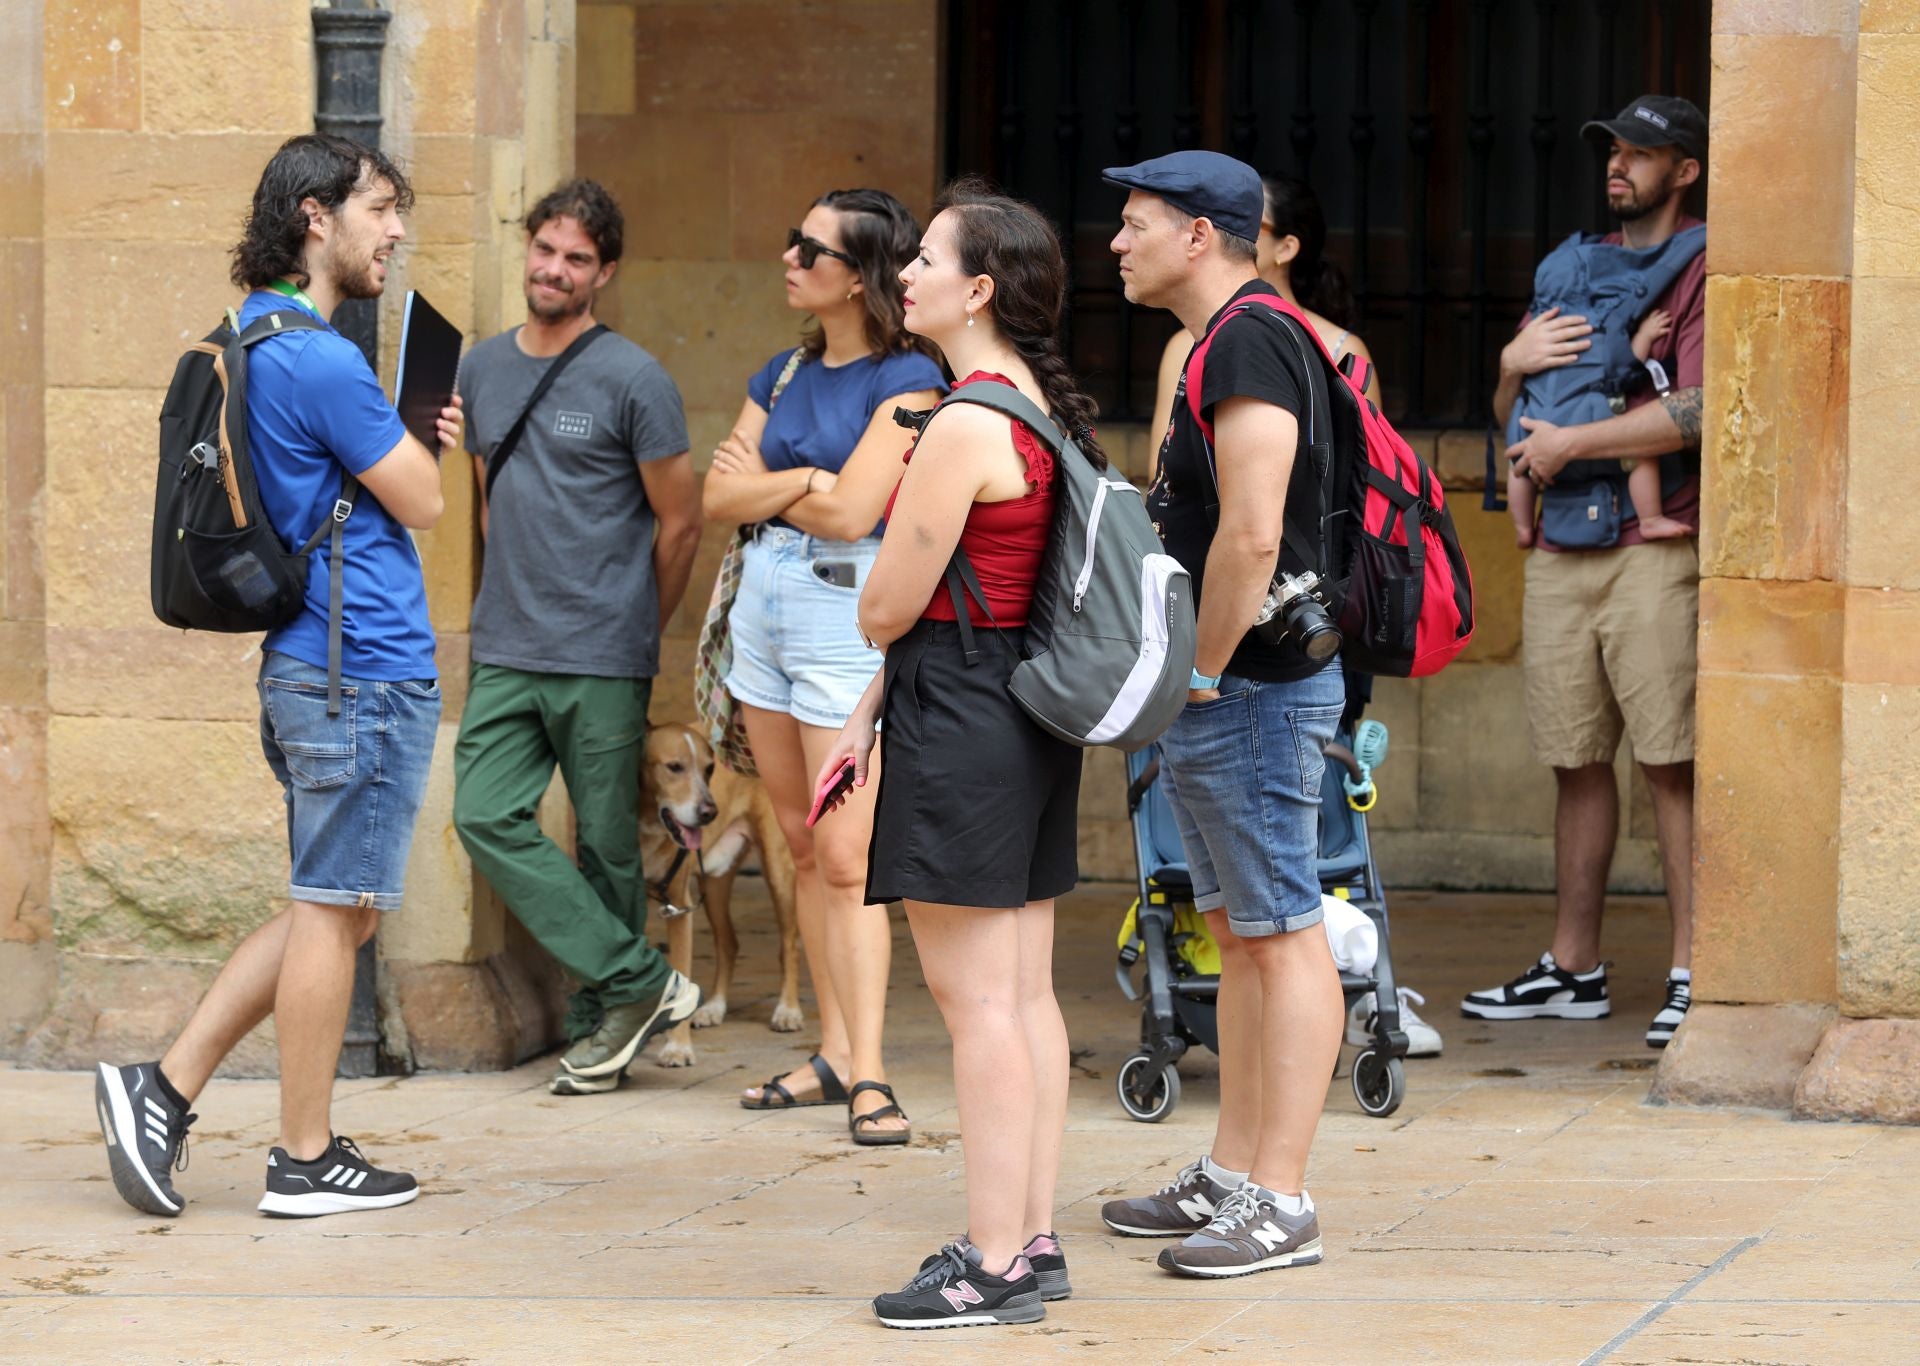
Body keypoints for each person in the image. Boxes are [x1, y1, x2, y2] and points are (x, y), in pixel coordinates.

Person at [95, 134, 459, 1218]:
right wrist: (423, 441)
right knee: (332, 903)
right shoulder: (324, 358)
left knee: (329, 909)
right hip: (362, 664)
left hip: (311, 660)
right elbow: (424, 500)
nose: (394, 231)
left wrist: (396, 439)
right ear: (316, 214)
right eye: (381, 208)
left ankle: (159, 1090)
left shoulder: (249, 336)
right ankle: (303, 1156)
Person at [814, 178, 1087, 1329]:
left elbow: (887, 604)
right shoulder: (1036, 407)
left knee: (976, 1002)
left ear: (978, 289)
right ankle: (1028, 1236)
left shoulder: (967, 418)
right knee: (1022, 993)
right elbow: (980, 600)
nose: (906, 274)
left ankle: (991, 1262)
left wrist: (877, 667)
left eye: (925, 258)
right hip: (1019, 710)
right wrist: (875, 703)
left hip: (964, 717)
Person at [1097, 150, 1343, 1278]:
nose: (1118, 240)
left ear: (1202, 234)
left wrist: (1194, 672)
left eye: (1138, 221)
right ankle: (1236, 1173)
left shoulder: (1248, 337)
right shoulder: (1216, 343)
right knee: (1243, 936)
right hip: (1230, 684)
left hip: (1250, 687)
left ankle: (1280, 1199)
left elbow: (1253, 534)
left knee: (1283, 932)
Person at [701, 189, 944, 1143]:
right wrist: (807, 480)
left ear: (860, 276)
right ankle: (836, 1056)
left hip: (846, 611)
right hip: (765, 602)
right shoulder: (787, 365)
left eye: (812, 248)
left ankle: (873, 1072)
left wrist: (786, 489)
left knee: (846, 859)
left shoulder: (914, 374)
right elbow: (721, 495)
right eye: (791, 238)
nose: (790, 258)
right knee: (803, 844)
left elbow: (857, 518)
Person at [1464, 96, 1707, 1049]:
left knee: (1671, 764)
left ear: (1683, 169)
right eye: (1613, 151)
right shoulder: (1571, 267)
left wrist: (1575, 441)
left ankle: (1696, 969)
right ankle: (1575, 968)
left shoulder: (1704, 268)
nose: (1619, 167)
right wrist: (1508, 362)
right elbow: (1516, 410)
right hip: (1562, 545)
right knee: (1573, 760)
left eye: (1641, 154)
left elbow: (1696, 409)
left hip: (1654, 551)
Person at [452, 179, 704, 1095]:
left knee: (605, 845)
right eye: (546, 250)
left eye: (578, 259)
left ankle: (604, 1030)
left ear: (605, 273)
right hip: (508, 643)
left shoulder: (634, 378)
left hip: (603, 649)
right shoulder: (480, 369)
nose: (556, 270)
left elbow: (680, 522)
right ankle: (642, 981)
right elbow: (487, 499)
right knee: (481, 813)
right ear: (528, 248)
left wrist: (640, 624)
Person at [1147, 175, 1379, 474]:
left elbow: (1366, 472)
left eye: (1250, 221)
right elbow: (1161, 470)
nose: (1226, 230)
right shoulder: (1185, 342)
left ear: (1286, 248)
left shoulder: (1342, 347)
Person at [1506, 307, 1690, 547]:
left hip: (1538, 421)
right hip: (1593, 421)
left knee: (1517, 466)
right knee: (1641, 454)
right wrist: (1644, 336)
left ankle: (1522, 527)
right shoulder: (1604, 323)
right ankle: (1651, 519)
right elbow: (1624, 368)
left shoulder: (1543, 326)